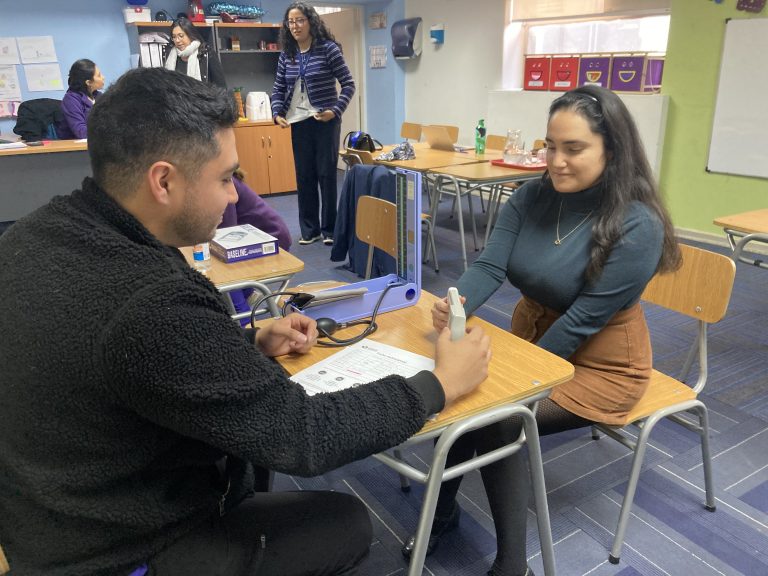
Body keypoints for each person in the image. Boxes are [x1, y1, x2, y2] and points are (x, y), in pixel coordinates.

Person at [0, 67, 491, 576]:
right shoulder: (151, 302)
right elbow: (305, 436)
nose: (236, 196)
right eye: (225, 177)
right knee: (348, 523)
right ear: (163, 181)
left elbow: (125, 359)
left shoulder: (35, 234)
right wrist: (440, 383)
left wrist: (246, 342)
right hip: (114, 552)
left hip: (44, 515)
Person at [400, 85, 681, 576]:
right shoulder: (529, 195)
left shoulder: (638, 224)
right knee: (462, 396)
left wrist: (517, 384)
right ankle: (441, 514)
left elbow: (583, 320)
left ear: (611, 150)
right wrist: (456, 303)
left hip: (603, 363)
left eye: (574, 149)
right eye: (551, 146)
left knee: (498, 417)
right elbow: (489, 265)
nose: (556, 160)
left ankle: (513, 567)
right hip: (533, 339)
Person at [271, 2, 355, 246]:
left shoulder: (328, 49)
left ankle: (329, 230)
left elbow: (348, 84)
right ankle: (310, 230)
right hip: (298, 122)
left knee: (327, 175)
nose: (295, 26)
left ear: (310, 22)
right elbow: (278, 88)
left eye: (299, 20)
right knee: (304, 176)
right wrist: (277, 112)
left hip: (325, 121)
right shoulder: (287, 54)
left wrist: (335, 110)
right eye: (291, 22)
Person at [221, 169, 292, 318]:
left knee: (225, 277)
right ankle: (247, 293)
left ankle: (243, 320)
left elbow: (225, 237)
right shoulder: (219, 179)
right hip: (254, 239)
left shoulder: (223, 187)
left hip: (272, 240)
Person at [164, 16, 226, 88]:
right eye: (174, 37)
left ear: (190, 35)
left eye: (181, 36)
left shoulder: (207, 53)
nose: (177, 40)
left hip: (203, 98)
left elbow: (221, 87)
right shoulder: (170, 55)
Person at [55, 58, 104, 139]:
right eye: (99, 75)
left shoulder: (99, 96)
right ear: (88, 82)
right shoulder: (71, 100)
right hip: (74, 148)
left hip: (98, 143)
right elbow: (81, 132)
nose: (103, 77)